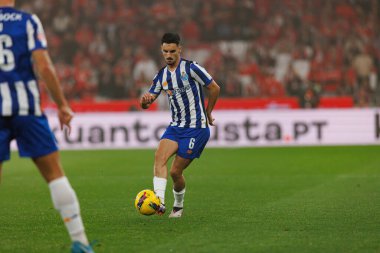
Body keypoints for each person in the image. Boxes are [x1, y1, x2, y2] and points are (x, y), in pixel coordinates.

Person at [0, 1, 94, 252]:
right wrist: (62, 105)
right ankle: (80, 242)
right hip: (27, 108)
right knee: (55, 174)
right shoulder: (27, 22)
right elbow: (44, 66)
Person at [140, 33, 220, 218]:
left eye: (172, 51)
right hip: (176, 127)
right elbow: (148, 101)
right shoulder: (161, 75)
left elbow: (214, 87)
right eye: (165, 51)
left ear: (179, 49)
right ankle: (159, 201)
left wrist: (208, 112)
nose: (168, 55)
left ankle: (178, 204)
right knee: (159, 157)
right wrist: (144, 101)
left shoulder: (192, 68)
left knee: (176, 172)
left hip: (196, 129)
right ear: (161, 50)